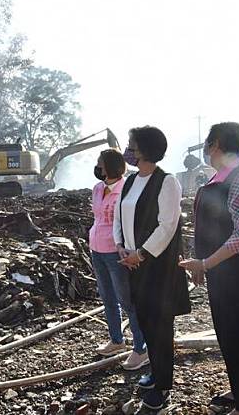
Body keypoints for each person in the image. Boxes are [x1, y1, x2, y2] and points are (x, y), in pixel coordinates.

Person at [179, 122, 239, 415]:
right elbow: (211, 226)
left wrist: (205, 263)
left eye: (208, 143)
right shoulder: (218, 178)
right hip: (221, 270)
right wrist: (203, 264)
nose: (206, 149)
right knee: (227, 333)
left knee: (236, 333)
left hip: (238, 273)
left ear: (216, 143)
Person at [114, 126, 191, 412]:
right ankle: (156, 374)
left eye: (132, 146)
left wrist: (142, 254)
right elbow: (119, 216)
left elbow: (168, 225)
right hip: (133, 264)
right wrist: (120, 245)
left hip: (157, 268)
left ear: (145, 150)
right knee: (146, 322)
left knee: (160, 328)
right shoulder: (131, 181)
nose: (128, 151)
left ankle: (163, 386)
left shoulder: (167, 182)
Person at [89, 148, 147, 369]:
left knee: (128, 301)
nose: (98, 167)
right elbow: (97, 217)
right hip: (97, 249)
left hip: (116, 252)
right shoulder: (97, 189)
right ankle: (116, 340)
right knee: (107, 298)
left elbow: (127, 223)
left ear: (110, 166)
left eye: (100, 163)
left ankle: (141, 348)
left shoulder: (126, 189)